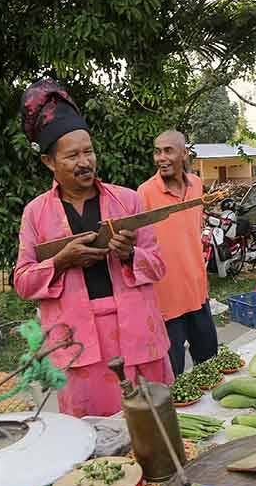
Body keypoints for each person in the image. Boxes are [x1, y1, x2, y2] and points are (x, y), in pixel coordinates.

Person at [13, 79, 173, 417]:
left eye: (89, 151)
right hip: (77, 343)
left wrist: (130, 254)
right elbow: (23, 282)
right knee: (93, 437)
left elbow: (158, 266)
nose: (85, 161)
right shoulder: (36, 214)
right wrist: (60, 261)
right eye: (72, 155)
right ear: (48, 162)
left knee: (152, 424)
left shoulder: (127, 200)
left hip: (136, 333)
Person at [138, 130, 218, 375]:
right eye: (157, 151)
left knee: (210, 364)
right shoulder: (144, 193)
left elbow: (193, 233)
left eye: (168, 150)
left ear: (184, 153)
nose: (161, 157)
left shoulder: (196, 185)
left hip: (197, 294)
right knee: (175, 375)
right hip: (166, 302)